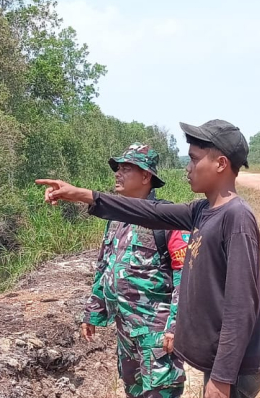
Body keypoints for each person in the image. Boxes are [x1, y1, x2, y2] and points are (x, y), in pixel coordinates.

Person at [37, 120, 260, 398]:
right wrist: (80, 195)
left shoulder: (237, 217)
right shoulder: (202, 211)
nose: (188, 167)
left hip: (236, 368)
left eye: (194, 159)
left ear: (220, 163)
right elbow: (149, 213)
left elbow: (241, 305)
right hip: (220, 362)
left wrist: (221, 378)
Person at [81, 142, 190, 398]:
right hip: (126, 331)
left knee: (160, 392)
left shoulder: (168, 217)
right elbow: (105, 268)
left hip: (157, 334)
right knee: (134, 391)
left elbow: (185, 278)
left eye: (126, 168)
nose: (117, 174)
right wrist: (93, 312)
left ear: (145, 176)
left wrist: (176, 327)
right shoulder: (115, 219)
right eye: (117, 168)